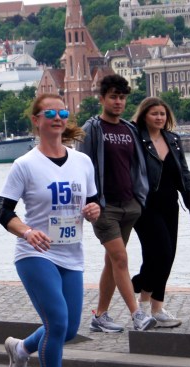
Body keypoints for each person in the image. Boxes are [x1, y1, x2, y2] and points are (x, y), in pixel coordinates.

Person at [0, 93, 100, 367]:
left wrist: (95, 210)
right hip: (35, 253)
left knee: (68, 329)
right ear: (36, 120)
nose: (58, 118)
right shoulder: (25, 165)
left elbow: (94, 202)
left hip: (72, 253)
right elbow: (3, 211)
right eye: (51, 113)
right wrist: (27, 231)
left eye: (63, 113)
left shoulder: (82, 162)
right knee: (56, 321)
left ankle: (21, 348)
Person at [77, 74, 155, 333]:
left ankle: (100, 316)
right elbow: (81, 167)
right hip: (104, 207)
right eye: (113, 97)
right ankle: (137, 314)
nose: (118, 102)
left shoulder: (129, 129)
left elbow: (137, 166)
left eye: (122, 97)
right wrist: (90, 202)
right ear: (102, 99)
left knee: (112, 261)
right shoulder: (92, 128)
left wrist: (139, 199)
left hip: (129, 205)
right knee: (121, 258)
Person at [130, 97, 190, 327]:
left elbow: (185, 175)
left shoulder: (173, 140)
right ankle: (135, 285)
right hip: (144, 206)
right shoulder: (135, 139)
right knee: (162, 251)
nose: (159, 117)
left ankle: (154, 307)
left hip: (170, 204)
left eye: (162, 114)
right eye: (154, 114)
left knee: (166, 256)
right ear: (144, 116)